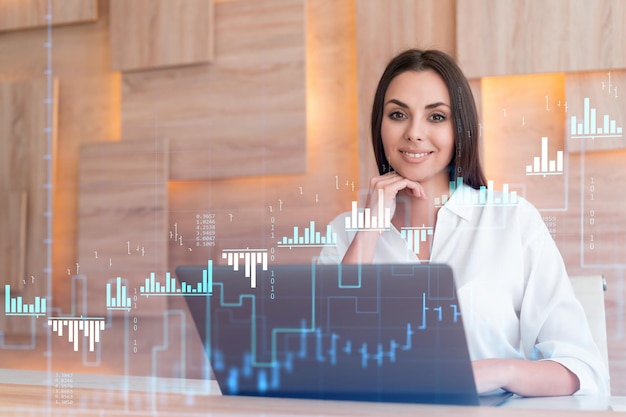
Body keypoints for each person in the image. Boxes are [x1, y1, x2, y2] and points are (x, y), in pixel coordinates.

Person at [317, 49, 610, 397]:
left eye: (436, 117)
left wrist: (498, 371)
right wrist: (368, 231)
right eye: (398, 114)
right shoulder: (344, 233)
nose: (414, 133)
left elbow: (581, 370)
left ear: (461, 129)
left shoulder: (512, 220)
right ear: (379, 126)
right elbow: (322, 359)